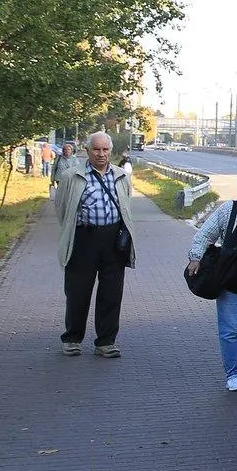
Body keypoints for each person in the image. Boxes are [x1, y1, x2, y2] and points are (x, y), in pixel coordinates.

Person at [55, 132, 135, 358]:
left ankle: (106, 342)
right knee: (78, 291)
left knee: (111, 293)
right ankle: (72, 338)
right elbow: (61, 208)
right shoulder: (73, 176)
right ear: (88, 151)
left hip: (113, 241)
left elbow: (126, 206)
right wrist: (74, 229)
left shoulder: (120, 176)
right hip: (84, 238)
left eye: (105, 150)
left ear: (111, 151)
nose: (101, 154)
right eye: (96, 149)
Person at [187, 168, 237, 392]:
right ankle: (233, 374)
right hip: (231, 278)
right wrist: (195, 258)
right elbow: (205, 235)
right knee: (232, 328)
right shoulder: (228, 210)